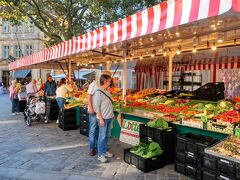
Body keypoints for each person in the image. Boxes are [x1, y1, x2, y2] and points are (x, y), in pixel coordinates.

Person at [87, 71, 111, 156]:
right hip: (93, 110)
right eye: (109, 78)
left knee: (100, 131)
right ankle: (92, 148)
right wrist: (91, 108)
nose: (110, 82)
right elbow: (89, 96)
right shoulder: (94, 84)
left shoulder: (105, 88)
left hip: (101, 111)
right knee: (93, 129)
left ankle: (100, 148)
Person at [94, 73, 114, 163]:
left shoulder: (107, 91)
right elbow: (96, 107)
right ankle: (100, 155)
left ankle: (104, 151)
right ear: (105, 81)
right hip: (103, 118)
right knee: (102, 137)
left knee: (107, 136)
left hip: (109, 117)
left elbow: (109, 104)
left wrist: (112, 114)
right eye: (109, 81)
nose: (110, 83)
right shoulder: (98, 92)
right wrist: (101, 119)